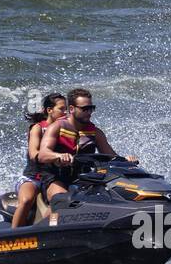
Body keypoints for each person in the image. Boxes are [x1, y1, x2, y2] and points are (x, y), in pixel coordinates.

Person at [35, 88, 130, 204]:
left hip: (83, 178)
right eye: (85, 109)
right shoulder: (56, 127)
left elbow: (112, 157)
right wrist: (58, 156)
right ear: (71, 109)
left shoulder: (96, 133)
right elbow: (42, 155)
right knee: (63, 202)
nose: (89, 112)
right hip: (55, 178)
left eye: (91, 108)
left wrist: (126, 161)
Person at [11, 92, 67, 228]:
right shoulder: (37, 128)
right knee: (26, 200)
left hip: (53, 178)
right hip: (33, 178)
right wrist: (54, 156)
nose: (65, 113)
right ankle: (13, 235)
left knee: (61, 200)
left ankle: (48, 230)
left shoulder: (65, 130)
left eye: (66, 109)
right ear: (49, 110)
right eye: (61, 109)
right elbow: (33, 153)